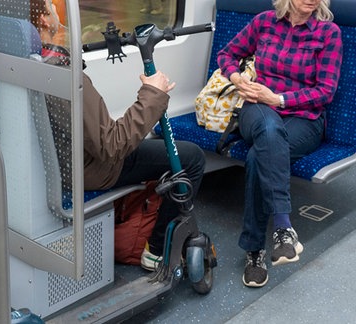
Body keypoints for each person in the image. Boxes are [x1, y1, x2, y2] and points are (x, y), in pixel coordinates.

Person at [30, 0, 206, 271]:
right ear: (44, 20)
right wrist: (153, 93)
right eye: (54, 7)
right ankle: (157, 249)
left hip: (68, 161)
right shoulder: (60, 73)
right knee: (191, 158)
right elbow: (111, 146)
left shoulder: (34, 62)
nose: (60, 11)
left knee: (156, 150)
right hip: (91, 169)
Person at [217, 0, 343, 287]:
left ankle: (254, 251)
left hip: (305, 118)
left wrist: (280, 99)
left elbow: (326, 92)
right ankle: (284, 229)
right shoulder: (264, 22)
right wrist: (238, 78)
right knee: (269, 130)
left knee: (256, 156)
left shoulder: (328, 33)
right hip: (258, 109)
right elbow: (227, 55)